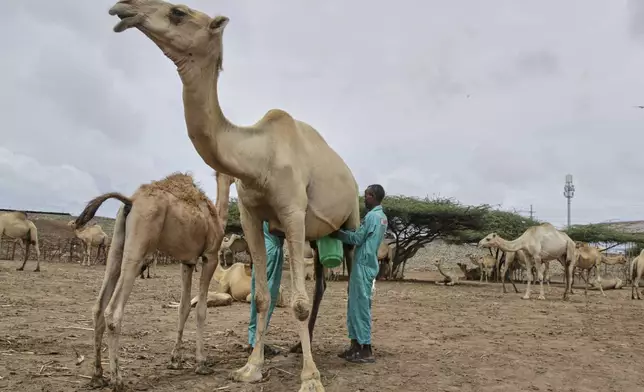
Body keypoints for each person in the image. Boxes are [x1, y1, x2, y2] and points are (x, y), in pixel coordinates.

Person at [331, 184, 387, 363]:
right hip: (367, 264)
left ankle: (365, 349)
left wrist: (336, 233)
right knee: (354, 305)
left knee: (360, 307)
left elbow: (357, 238)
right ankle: (355, 346)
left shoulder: (372, 216)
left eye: (367, 195)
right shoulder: (382, 217)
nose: (365, 199)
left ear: (373, 196)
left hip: (363, 264)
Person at [247, 221, 285, 357]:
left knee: (257, 296)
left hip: (262, 250)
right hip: (272, 252)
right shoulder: (272, 211)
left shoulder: (259, 209)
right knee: (267, 299)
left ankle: (253, 340)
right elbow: (278, 229)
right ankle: (257, 343)